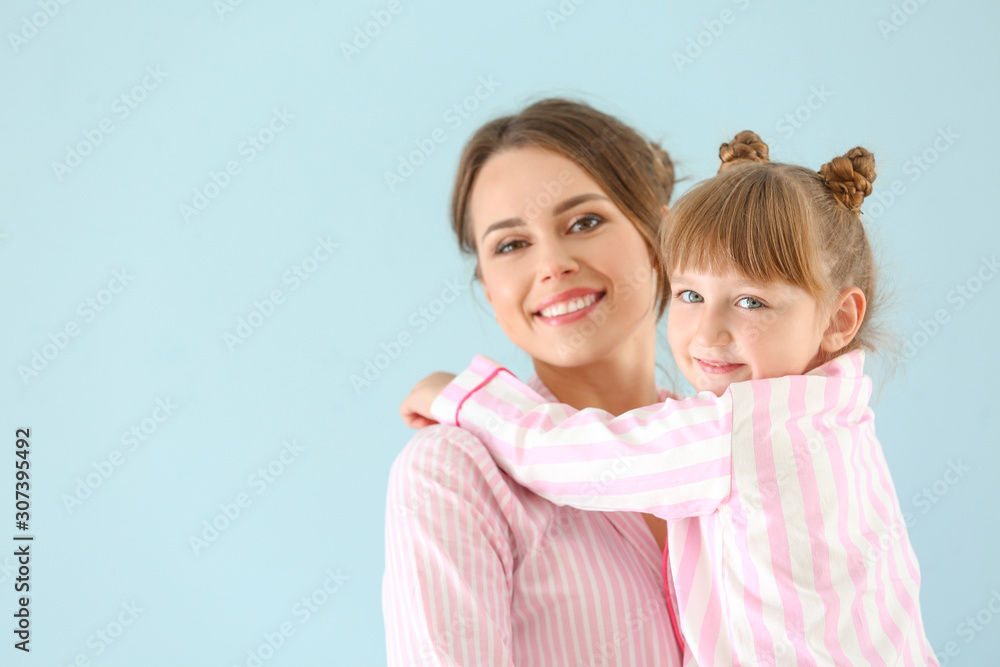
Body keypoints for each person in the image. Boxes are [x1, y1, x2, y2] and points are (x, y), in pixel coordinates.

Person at [402, 132, 939, 665]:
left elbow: (568, 452)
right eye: (692, 295)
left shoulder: (737, 433)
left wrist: (465, 396)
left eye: (752, 301)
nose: (711, 329)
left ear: (653, 235)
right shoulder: (838, 418)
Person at [383, 98, 686, 665]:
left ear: (660, 234)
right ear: (489, 288)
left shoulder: (727, 443)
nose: (552, 264)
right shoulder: (453, 474)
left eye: (585, 222)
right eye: (511, 245)